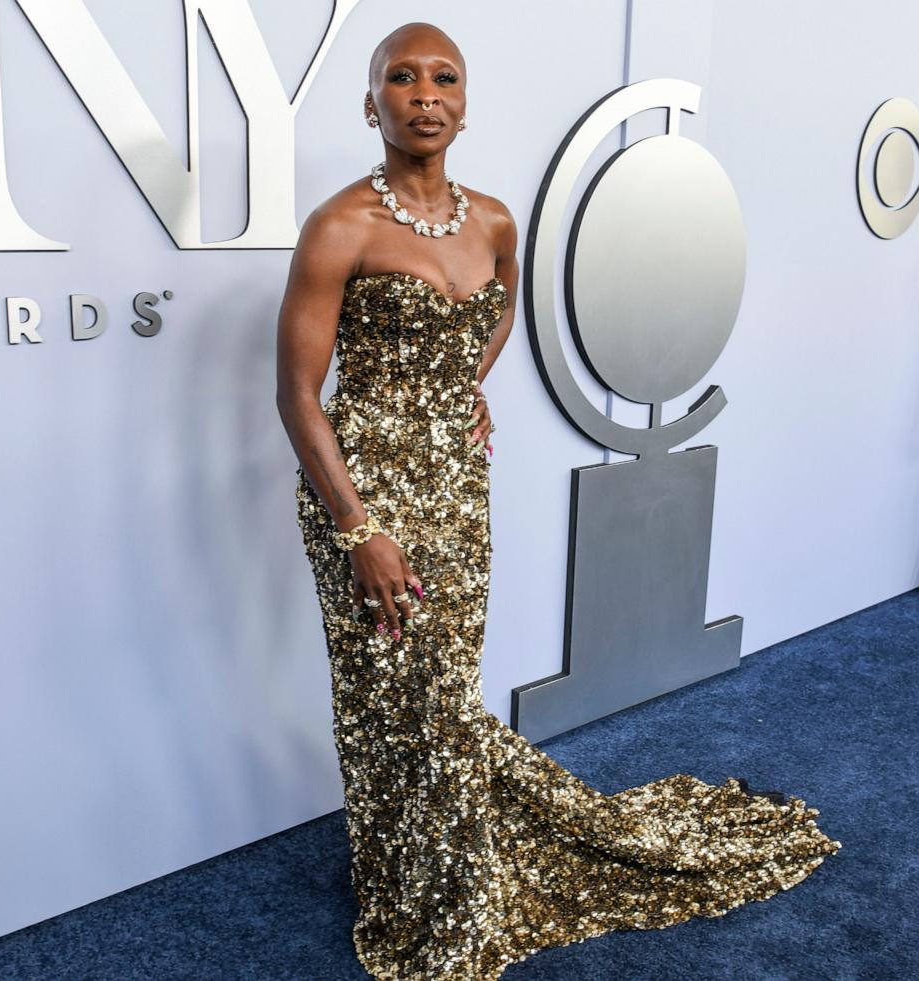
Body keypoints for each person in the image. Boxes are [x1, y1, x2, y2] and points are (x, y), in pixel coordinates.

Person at [275, 21, 841, 981]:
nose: (423, 94)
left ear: (465, 100)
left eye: (443, 77)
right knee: (390, 699)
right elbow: (296, 397)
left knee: (442, 693)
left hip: (457, 485)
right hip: (363, 491)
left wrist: (463, 384)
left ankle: (442, 874)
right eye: (399, 79)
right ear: (369, 104)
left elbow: (495, 307)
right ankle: (415, 892)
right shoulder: (340, 227)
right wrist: (359, 529)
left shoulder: (493, 219)